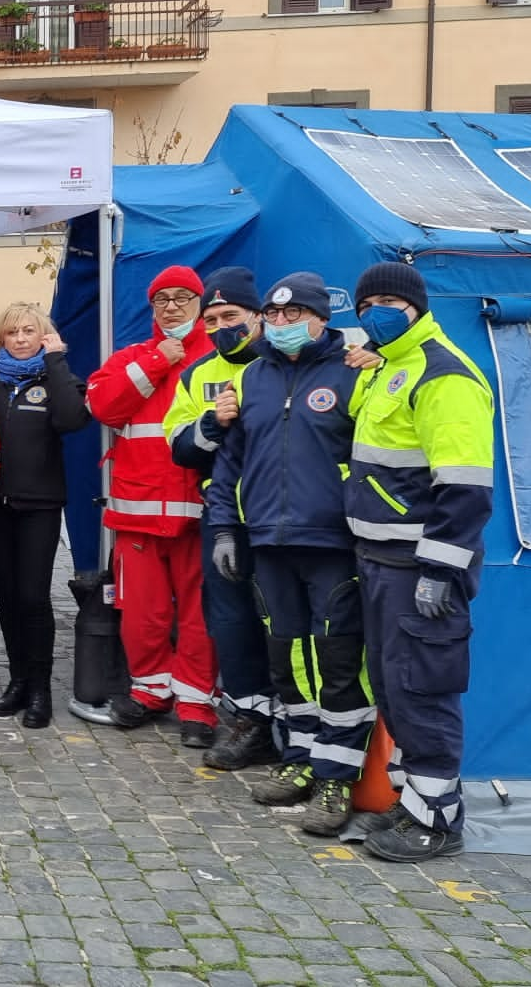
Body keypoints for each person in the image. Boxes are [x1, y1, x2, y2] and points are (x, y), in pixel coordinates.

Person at [204, 272, 370, 835]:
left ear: (321, 318)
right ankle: (299, 760)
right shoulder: (253, 377)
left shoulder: (354, 374)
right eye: (273, 317)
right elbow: (229, 465)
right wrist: (226, 529)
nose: (281, 325)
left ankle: (336, 780)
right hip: (268, 543)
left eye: (294, 315)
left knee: (339, 663)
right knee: (289, 660)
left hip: (333, 545)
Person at [343, 262, 493, 862]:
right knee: (394, 688)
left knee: (423, 688)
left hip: (418, 567)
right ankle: (413, 804)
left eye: (387, 301)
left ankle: (438, 820)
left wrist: (441, 568)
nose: (374, 312)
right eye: (365, 302)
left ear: (415, 306)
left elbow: (465, 487)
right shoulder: (390, 368)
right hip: (380, 560)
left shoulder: (443, 374)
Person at [85, 266, 220, 741]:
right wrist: (157, 362)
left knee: (200, 614)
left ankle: (196, 702)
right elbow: (103, 406)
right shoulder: (132, 357)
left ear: (200, 303)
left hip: (200, 511)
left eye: (182, 297)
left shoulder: (221, 357)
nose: (172, 307)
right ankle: (150, 688)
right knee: (143, 612)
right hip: (137, 510)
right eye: (162, 299)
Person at [163, 267, 281, 769]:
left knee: (287, 623)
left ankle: (298, 726)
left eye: (230, 315)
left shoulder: (286, 365)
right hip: (224, 515)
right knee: (231, 622)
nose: (220, 326)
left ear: (258, 317)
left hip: (286, 514)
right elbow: (179, 445)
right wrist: (212, 423)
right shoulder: (198, 374)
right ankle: (249, 723)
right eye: (210, 319)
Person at [0, 302, 89, 729]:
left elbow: (73, 418)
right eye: (13, 332)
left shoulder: (54, 378)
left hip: (39, 505)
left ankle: (41, 688)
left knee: (33, 597)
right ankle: (18, 680)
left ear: (43, 335)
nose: (21, 339)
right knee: (6, 598)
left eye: (30, 331)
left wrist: (56, 359)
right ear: (1, 339)